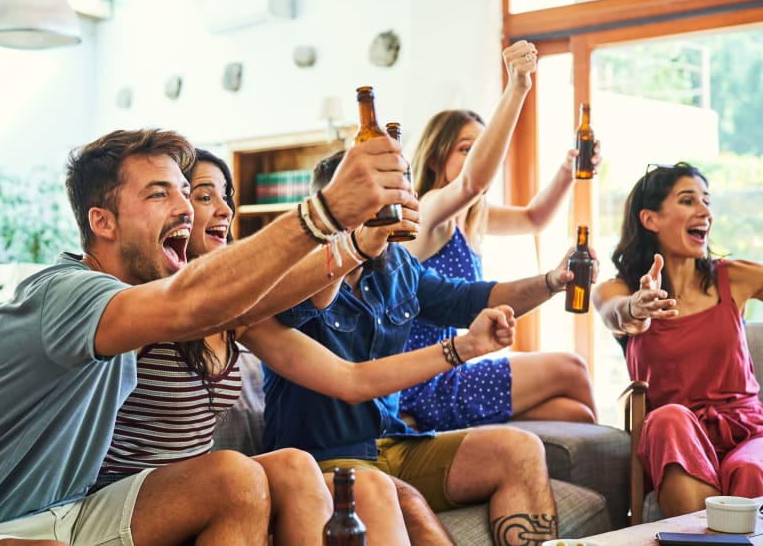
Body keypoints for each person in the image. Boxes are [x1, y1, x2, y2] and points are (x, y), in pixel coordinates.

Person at [0, 129, 415, 545]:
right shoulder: (68, 292)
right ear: (102, 222)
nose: (187, 208)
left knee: (241, 474)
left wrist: (355, 243)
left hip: (77, 510)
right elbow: (191, 302)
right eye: (159, 194)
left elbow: (250, 303)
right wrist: (325, 214)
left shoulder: (140, 297)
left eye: (186, 192)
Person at [261, 149, 601, 546]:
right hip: (324, 458)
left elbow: (474, 299)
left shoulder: (398, 267)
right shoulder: (294, 273)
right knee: (405, 501)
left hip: (396, 441)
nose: (398, 201)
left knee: (519, 448)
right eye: (379, 192)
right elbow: (338, 353)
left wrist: (551, 280)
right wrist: (354, 243)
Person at [399, 40, 598, 432]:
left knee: (577, 416)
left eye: (482, 149)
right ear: (437, 158)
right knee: (573, 367)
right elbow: (473, 181)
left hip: (450, 367)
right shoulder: (428, 210)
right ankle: (633, 482)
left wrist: (567, 170)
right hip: (422, 380)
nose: (478, 158)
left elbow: (534, 218)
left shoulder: (473, 217)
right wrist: (518, 86)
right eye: (466, 149)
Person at [592, 162, 763, 517]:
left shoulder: (735, 278)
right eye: (688, 201)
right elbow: (617, 313)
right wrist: (637, 307)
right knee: (670, 418)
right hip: (678, 437)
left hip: (747, 431)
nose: (704, 211)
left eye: (707, 201)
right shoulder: (617, 289)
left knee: (749, 469)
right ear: (650, 219)